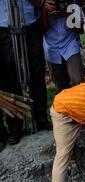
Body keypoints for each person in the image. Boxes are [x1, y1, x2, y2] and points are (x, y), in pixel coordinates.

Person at [0, 0, 49, 138]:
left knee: (37, 73)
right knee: (10, 77)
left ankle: (40, 119)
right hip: (5, 26)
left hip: (30, 23)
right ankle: (16, 126)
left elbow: (41, 3)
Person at [42, 0, 84, 93]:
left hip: (70, 43)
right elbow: (42, 30)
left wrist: (69, 13)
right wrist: (44, 10)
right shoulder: (44, 4)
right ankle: (65, 106)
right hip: (51, 48)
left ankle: (79, 104)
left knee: (77, 81)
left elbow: (79, 30)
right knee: (61, 87)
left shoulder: (71, 2)